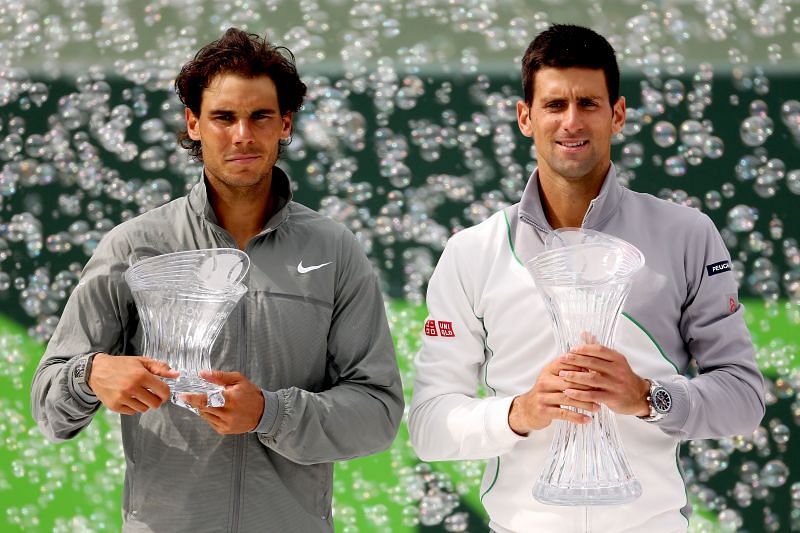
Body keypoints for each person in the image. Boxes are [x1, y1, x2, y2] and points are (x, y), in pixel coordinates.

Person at [31, 27, 403, 533]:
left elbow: (378, 412)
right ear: (194, 124)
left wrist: (269, 413)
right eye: (224, 117)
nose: (243, 135)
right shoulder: (133, 245)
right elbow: (50, 406)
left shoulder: (334, 250)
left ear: (286, 124)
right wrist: (91, 373)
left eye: (260, 117)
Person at [408, 24, 764, 533]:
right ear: (525, 117)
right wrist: (519, 412)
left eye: (588, 104)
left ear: (616, 114)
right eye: (555, 105)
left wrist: (648, 397)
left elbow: (743, 398)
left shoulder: (688, 234)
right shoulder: (472, 251)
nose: (571, 121)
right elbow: (429, 426)